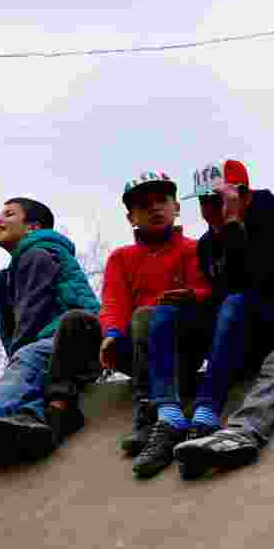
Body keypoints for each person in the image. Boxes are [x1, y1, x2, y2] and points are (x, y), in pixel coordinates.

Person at [165, 159, 274, 478]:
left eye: (218, 199)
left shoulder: (270, 225)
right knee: (169, 315)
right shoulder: (208, 245)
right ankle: (164, 413)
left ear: (243, 196)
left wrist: (235, 225)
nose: (210, 209)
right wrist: (196, 301)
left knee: (236, 302)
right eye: (205, 201)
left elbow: (255, 283)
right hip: (240, 335)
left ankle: (207, 407)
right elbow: (222, 294)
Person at [0, 197, 101, 465]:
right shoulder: (13, 271)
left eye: (9, 214)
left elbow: (32, 316)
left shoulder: (39, 254)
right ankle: (22, 427)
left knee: (29, 355)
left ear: (32, 228)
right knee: (29, 357)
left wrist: (13, 369)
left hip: (75, 340)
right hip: (49, 346)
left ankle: (1, 419)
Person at [98, 171, 214, 478]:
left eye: (161, 201)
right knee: (75, 323)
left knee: (147, 315)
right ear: (130, 217)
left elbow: (209, 291)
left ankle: (148, 413)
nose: (154, 209)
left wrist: (191, 297)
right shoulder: (121, 258)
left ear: (176, 207)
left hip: (182, 345)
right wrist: (110, 335)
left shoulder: (195, 248)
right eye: (143, 205)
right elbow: (113, 304)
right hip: (137, 349)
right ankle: (57, 409)